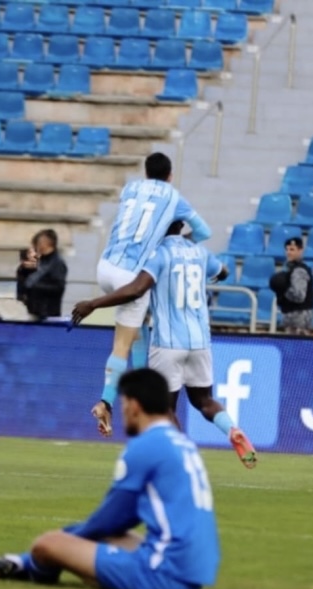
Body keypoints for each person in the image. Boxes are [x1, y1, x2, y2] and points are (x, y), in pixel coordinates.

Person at [0, 368, 220, 589]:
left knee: (47, 544)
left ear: (134, 406)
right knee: (109, 537)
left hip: (162, 573)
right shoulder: (183, 444)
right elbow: (120, 523)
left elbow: (107, 521)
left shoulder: (146, 446)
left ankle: (28, 568)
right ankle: (22, 563)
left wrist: (62, 540)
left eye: (123, 405)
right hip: (192, 571)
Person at [72, 221, 257, 468]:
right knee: (204, 400)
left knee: (165, 407)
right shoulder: (199, 251)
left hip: (169, 342)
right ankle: (232, 429)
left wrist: (93, 304)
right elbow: (222, 271)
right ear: (181, 225)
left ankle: (182, 458)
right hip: (201, 341)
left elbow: (135, 290)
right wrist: (215, 273)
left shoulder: (157, 255)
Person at [91, 152, 211, 437]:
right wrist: (180, 246)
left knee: (140, 329)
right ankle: (106, 401)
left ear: (145, 173)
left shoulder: (130, 188)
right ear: (170, 176)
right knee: (122, 344)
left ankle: (140, 391)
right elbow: (203, 231)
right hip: (130, 275)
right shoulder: (174, 197)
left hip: (105, 266)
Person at [16, 228, 68, 321]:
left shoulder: (57, 263)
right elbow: (24, 279)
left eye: (38, 243)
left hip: (47, 312)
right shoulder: (41, 261)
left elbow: (58, 286)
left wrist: (35, 286)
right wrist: (24, 270)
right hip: (33, 310)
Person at [268, 236, 313, 335]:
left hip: (299, 317)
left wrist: (284, 289)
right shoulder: (291, 269)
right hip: (291, 315)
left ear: (300, 250)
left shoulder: (299, 270)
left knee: (298, 343)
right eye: (287, 249)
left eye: (292, 249)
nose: (288, 252)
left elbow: (299, 296)